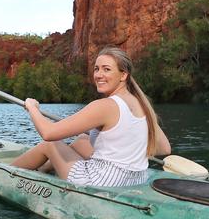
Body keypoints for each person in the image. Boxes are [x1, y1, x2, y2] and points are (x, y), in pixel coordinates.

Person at [11, 47, 171, 187]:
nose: (99, 75)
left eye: (106, 69)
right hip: (135, 179)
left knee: (49, 145)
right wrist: (123, 144)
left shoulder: (105, 106)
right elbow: (165, 148)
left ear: (123, 75)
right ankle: (45, 168)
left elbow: (49, 133)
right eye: (96, 69)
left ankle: (5, 172)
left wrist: (32, 108)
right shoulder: (142, 104)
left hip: (103, 182)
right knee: (82, 140)